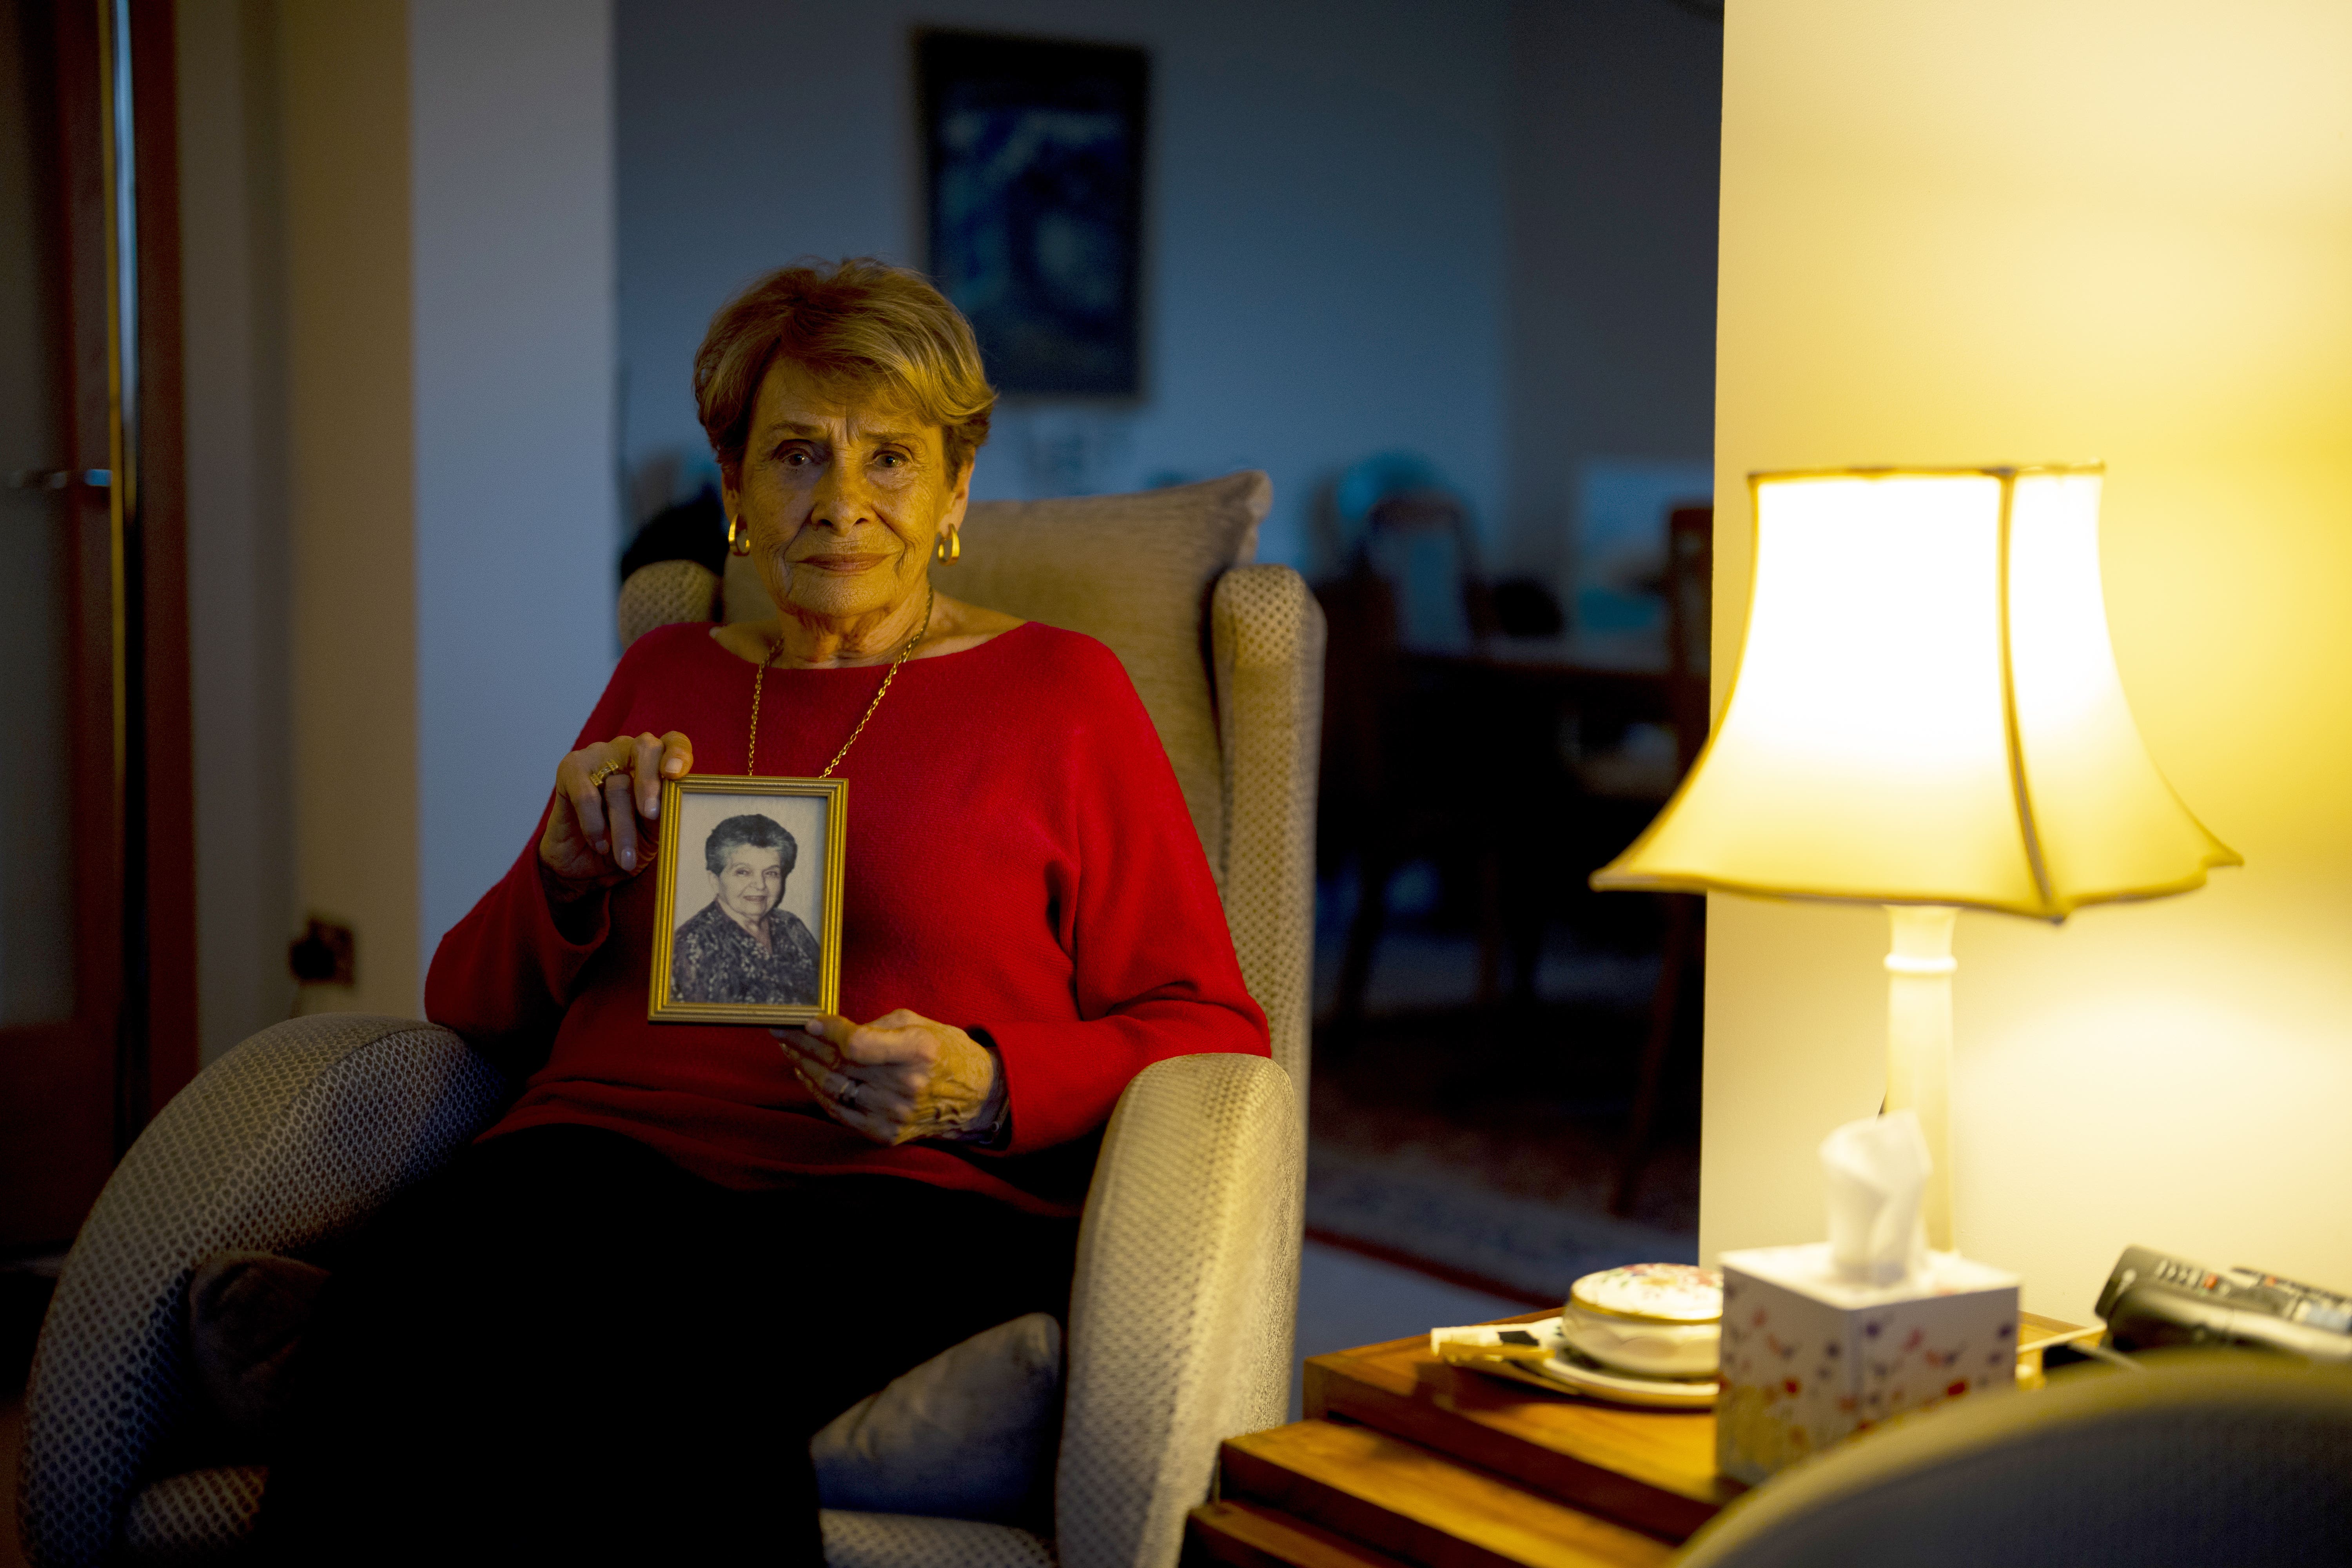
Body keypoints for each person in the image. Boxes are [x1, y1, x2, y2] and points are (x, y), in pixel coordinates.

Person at [254, 259, 1269, 1564]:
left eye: (890, 460)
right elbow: (471, 1002)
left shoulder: (1064, 696)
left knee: (659, 1360)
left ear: (956, 489)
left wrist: (988, 1084)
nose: (842, 505)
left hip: (886, 1195)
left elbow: (1213, 1024)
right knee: (408, 1307)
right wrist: (561, 876)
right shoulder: (667, 669)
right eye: (796, 455)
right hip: (587, 1164)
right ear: (733, 490)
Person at [670, 812, 821, 1005]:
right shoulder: (692, 945)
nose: (760, 885)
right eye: (743, 872)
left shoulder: (791, 926)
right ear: (715, 881)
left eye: (771, 873)